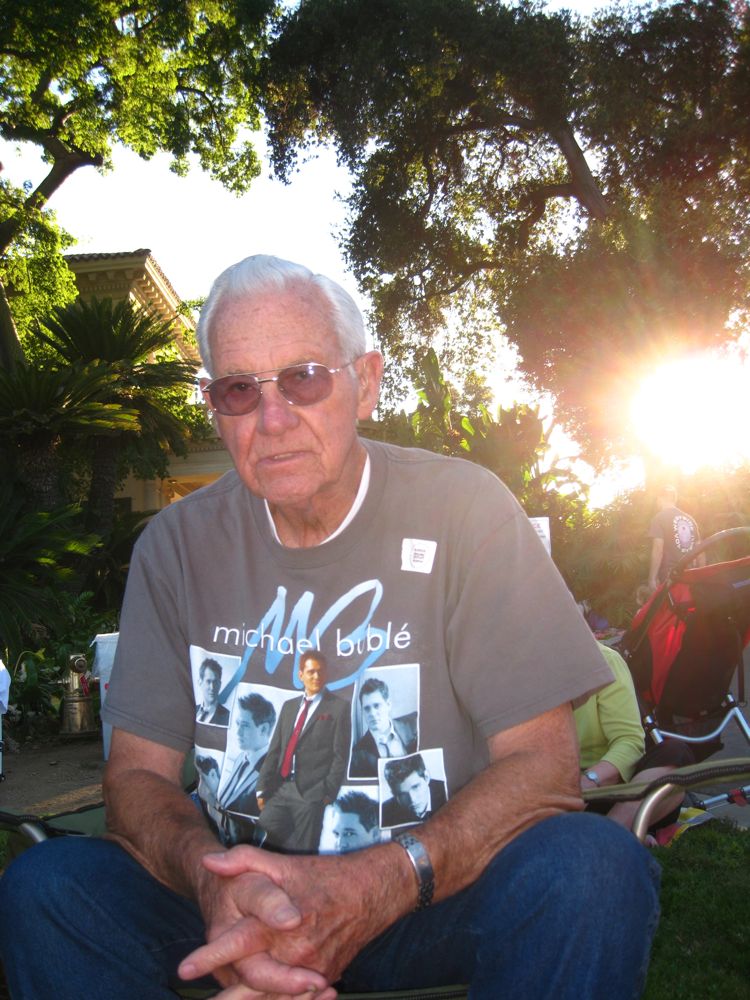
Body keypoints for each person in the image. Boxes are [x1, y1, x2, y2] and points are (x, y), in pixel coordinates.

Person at [0, 254, 660, 1000]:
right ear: (216, 408)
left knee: (591, 869)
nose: (272, 419)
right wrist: (216, 886)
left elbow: (544, 768)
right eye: (239, 389)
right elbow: (136, 777)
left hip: (424, 893)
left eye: (305, 377)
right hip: (236, 897)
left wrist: (376, 884)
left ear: (367, 384)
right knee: (49, 888)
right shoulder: (176, 547)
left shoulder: (465, 512)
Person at [576, 643, 693, 837]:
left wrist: (589, 782)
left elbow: (629, 740)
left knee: (675, 755)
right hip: (545, 794)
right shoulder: (517, 669)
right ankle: (619, 834)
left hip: (603, 790)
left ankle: (609, 835)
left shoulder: (604, 659)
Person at [255, 652, 350, 852]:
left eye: (320, 672)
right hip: (281, 789)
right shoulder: (289, 707)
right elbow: (275, 750)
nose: (316, 677)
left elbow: (340, 756)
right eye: (311, 672)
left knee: (305, 854)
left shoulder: (338, 708)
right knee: (263, 836)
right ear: (301, 675)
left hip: (311, 794)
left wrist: (327, 793)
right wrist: (262, 787)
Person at [350, 676, 418, 777]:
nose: (372, 713)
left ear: (388, 705)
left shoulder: (413, 726)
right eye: (367, 708)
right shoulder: (358, 755)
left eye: (377, 706)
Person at [648, 486, 704, 593]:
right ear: (674, 499)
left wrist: (652, 579)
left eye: (657, 499)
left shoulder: (659, 518)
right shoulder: (690, 519)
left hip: (670, 577)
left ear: (661, 498)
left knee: (673, 608)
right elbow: (700, 552)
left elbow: (658, 550)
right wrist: (701, 576)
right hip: (690, 576)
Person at [382, 754, 447, 827]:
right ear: (394, 794)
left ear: (427, 777)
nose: (412, 799)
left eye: (416, 787)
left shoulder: (447, 793)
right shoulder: (385, 813)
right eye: (402, 794)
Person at [195, 658, 230, 725]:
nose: (212, 687)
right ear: (200, 682)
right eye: (208, 681)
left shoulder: (228, 717)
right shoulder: (192, 709)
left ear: (220, 684)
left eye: (215, 682)